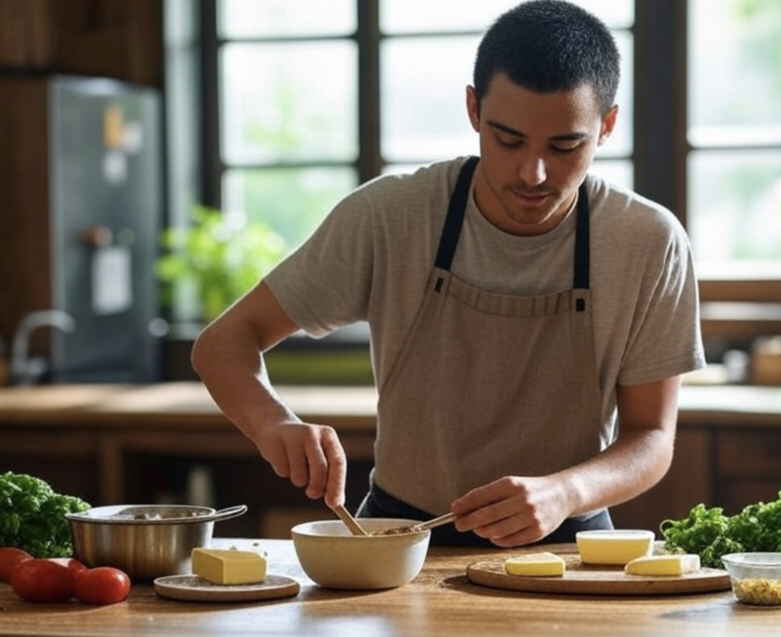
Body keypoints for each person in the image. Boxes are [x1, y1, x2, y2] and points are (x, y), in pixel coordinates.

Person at [191, 0, 704, 548]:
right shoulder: (392, 216)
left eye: (564, 146)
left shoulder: (647, 240)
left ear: (606, 126)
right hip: (401, 536)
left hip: (567, 540)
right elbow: (222, 344)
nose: (533, 173)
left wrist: (565, 493)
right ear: (473, 110)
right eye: (508, 140)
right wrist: (275, 425)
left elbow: (651, 437)